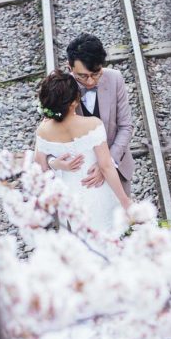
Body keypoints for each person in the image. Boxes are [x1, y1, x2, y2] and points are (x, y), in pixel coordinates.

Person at [33, 70, 132, 232]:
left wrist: (55, 164)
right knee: (112, 233)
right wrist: (125, 200)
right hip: (99, 189)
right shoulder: (93, 125)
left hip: (71, 197)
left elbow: (40, 167)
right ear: (74, 102)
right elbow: (106, 166)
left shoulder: (43, 131)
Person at [44, 33, 135, 196]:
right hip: (79, 177)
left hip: (116, 168)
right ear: (69, 67)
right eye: (83, 76)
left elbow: (125, 127)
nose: (91, 81)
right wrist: (53, 162)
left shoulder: (115, 79)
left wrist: (107, 163)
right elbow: (47, 137)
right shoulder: (60, 89)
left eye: (96, 73)